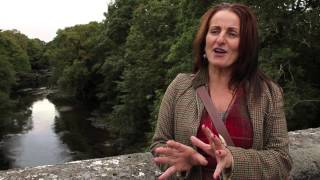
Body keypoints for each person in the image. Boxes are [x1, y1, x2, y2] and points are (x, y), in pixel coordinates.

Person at [150, 2, 292, 180]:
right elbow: (159, 144)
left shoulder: (268, 93)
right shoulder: (180, 86)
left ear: (245, 45)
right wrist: (180, 163)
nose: (220, 39)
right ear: (205, 40)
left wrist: (233, 159)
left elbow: (282, 160)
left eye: (232, 33)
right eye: (215, 31)